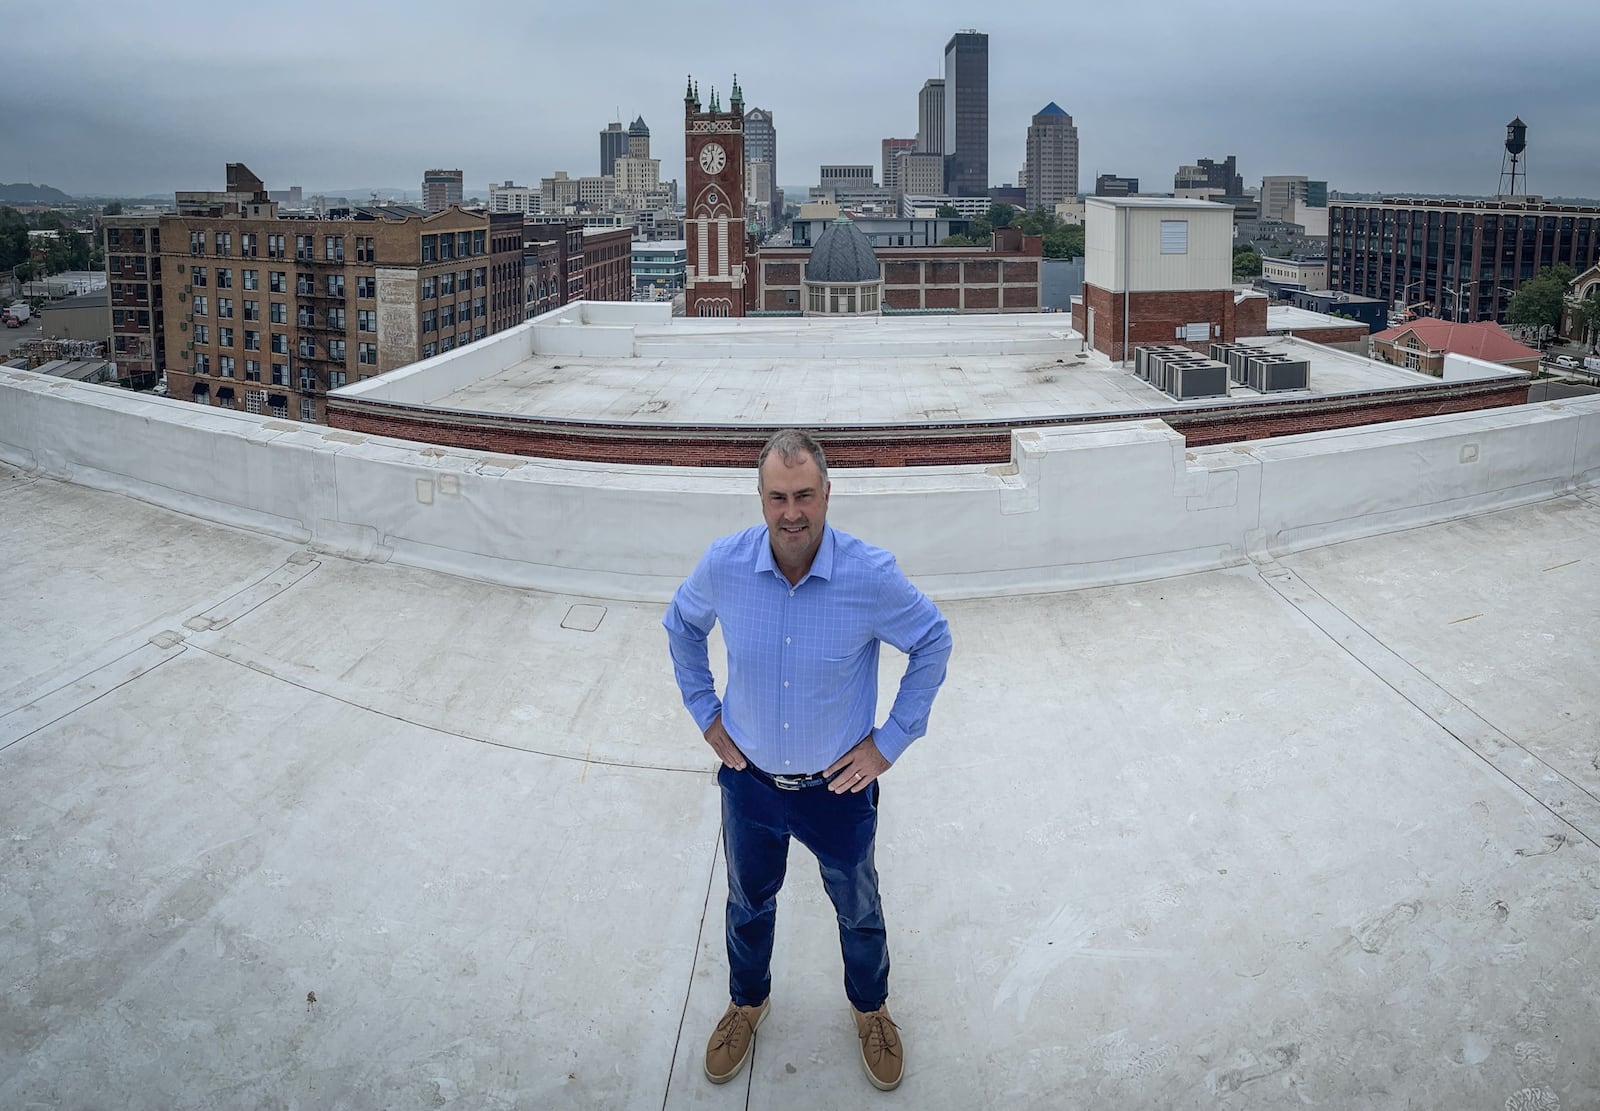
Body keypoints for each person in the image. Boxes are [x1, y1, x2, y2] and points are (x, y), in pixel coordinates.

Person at [662, 428, 953, 1092]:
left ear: (827, 493)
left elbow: (933, 639)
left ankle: (870, 1008)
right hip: (750, 785)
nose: (791, 512)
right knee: (747, 902)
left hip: (837, 790)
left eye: (803, 495)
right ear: (759, 498)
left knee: (857, 905)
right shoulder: (724, 565)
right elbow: (680, 625)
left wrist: (890, 741)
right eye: (776, 497)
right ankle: (747, 1002)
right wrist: (707, 715)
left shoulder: (870, 575)